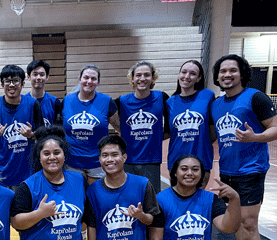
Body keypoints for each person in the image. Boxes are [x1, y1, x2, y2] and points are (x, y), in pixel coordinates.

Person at [211, 54, 277, 240]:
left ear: (241, 73)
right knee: (237, 221)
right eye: (222, 71)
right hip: (228, 170)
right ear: (217, 76)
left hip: (251, 169)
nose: (227, 75)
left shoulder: (255, 98)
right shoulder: (217, 105)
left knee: (249, 223)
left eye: (232, 71)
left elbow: (275, 127)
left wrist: (255, 138)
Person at [11, 125, 85, 240]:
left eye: (56, 152)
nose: (52, 157)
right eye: (46, 153)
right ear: (39, 157)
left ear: (64, 155)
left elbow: (86, 219)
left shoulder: (78, 180)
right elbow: (16, 222)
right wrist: (39, 214)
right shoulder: (28, 186)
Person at [110, 61, 169, 194]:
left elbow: (172, 124)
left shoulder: (161, 98)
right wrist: (121, 129)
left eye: (146, 75)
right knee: (129, 197)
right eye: (138, 75)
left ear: (153, 78)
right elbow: (107, 113)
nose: (142, 78)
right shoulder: (122, 101)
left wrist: (159, 136)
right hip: (127, 159)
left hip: (151, 160)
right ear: (133, 78)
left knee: (151, 199)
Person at [0, 64, 44, 191]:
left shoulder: (33, 104)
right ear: (2, 84)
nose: (11, 85)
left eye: (16, 81)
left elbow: (41, 133)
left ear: (22, 84)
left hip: (25, 169)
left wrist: (31, 134)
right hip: (1, 169)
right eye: (7, 81)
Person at [61, 64, 117, 186]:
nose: (89, 81)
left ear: (98, 82)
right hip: (72, 162)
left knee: (95, 200)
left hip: (98, 162)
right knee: (76, 199)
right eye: (86, 77)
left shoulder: (107, 101)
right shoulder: (67, 101)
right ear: (79, 79)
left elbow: (119, 128)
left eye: (93, 79)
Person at [165, 60, 215, 189]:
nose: (187, 76)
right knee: (177, 203)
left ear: (198, 78)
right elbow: (169, 131)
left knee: (196, 203)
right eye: (184, 72)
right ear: (179, 74)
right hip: (176, 159)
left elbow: (212, 129)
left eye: (193, 73)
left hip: (201, 158)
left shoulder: (207, 96)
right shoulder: (170, 102)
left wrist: (202, 143)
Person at [26, 60, 62, 126]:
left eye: (42, 75)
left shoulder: (54, 102)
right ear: (28, 77)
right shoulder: (23, 101)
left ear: (47, 77)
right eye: (35, 74)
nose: (39, 78)